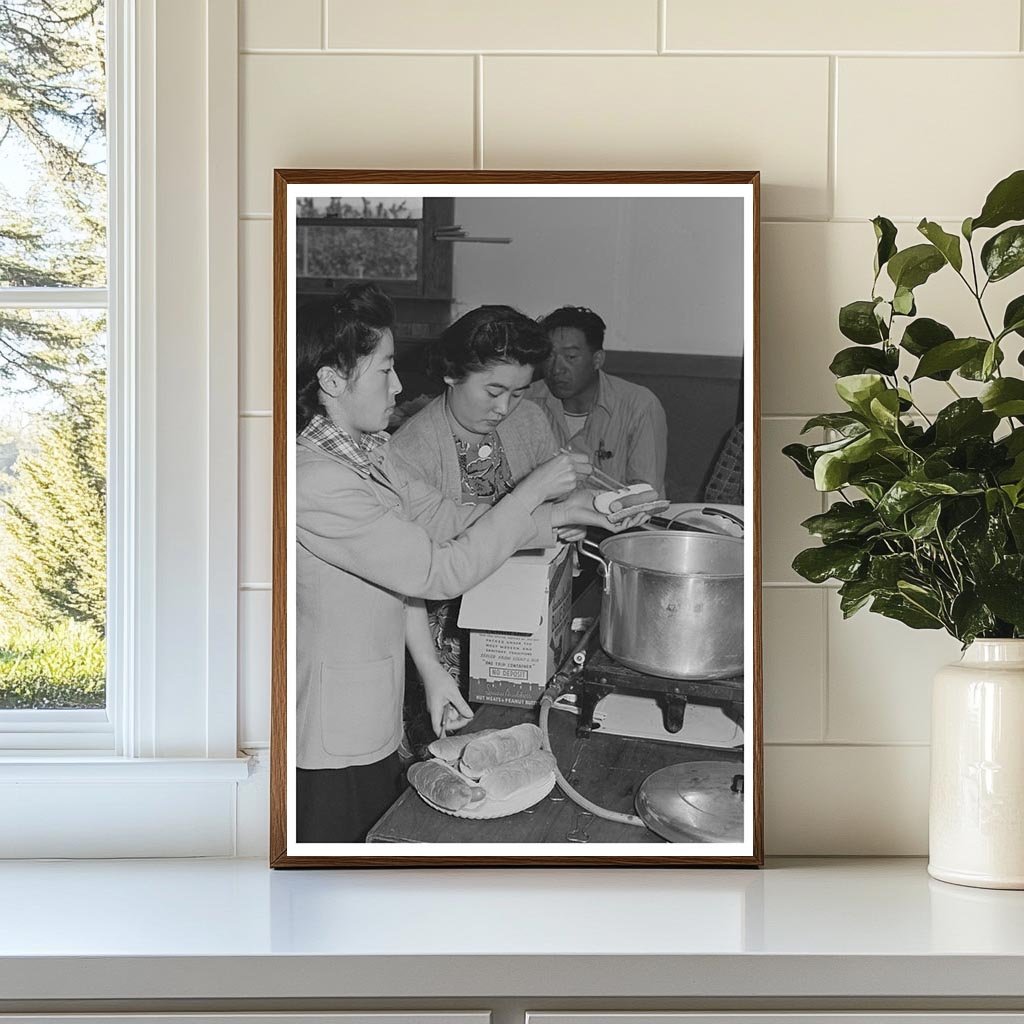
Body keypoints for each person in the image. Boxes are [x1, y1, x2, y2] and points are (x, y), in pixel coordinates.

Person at [295, 283, 645, 843]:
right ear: (333, 381)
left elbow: (440, 518)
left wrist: (565, 512)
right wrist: (529, 497)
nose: (401, 383)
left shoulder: (370, 450)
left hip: (372, 699)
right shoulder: (315, 481)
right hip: (332, 723)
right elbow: (435, 572)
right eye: (385, 370)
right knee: (336, 863)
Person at [388, 305, 565, 695]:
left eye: (518, 392)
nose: (504, 408)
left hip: (525, 621)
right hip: (444, 640)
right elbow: (422, 565)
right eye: (493, 391)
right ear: (452, 374)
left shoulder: (530, 420)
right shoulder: (409, 452)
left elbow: (559, 512)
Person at [527, 306, 669, 498]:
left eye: (570, 357)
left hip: (621, 525)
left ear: (597, 360)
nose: (557, 368)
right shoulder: (527, 403)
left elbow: (644, 494)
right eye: (549, 356)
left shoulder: (639, 406)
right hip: (547, 523)